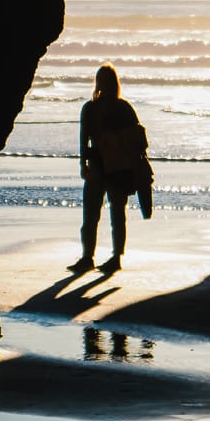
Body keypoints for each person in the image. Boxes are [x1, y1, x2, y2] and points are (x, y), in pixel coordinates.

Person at [70, 62, 140, 273]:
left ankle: (87, 257)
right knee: (118, 214)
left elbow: (84, 140)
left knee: (90, 216)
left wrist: (83, 164)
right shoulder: (124, 107)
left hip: (98, 166)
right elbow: (137, 138)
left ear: (98, 82)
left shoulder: (90, 108)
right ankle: (116, 257)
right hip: (120, 168)